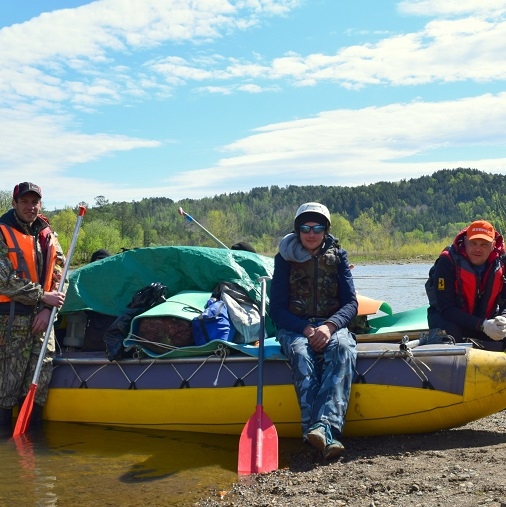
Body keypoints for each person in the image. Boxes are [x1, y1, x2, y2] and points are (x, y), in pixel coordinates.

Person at [269, 202, 358, 460]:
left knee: (342, 347)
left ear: (325, 230)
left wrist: (330, 327)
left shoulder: (339, 257)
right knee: (300, 352)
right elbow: (276, 309)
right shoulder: (284, 260)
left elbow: (351, 303)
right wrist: (307, 330)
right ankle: (322, 433)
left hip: (332, 324)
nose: (311, 233)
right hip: (295, 327)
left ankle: (321, 428)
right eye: (306, 228)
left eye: (317, 227)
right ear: (297, 230)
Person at [0, 182, 66, 433]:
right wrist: (41, 298)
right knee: (6, 389)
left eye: (35, 202)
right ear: (15, 204)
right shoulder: (1, 232)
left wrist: (49, 309)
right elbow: (3, 280)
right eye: (25, 202)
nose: (30, 207)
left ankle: (33, 449)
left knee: (38, 386)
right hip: (10, 324)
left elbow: (60, 278)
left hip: (43, 322)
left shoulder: (47, 235)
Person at [426, 219, 506, 349]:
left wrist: (503, 319)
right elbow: (447, 309)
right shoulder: (447, 263)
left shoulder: (502, 263)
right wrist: (482, 325)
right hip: (450, 319)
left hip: (485, 321)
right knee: (452, 331)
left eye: (484, 244)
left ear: (493, 246)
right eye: (473, 243)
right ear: (465, 242)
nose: (478, 249)